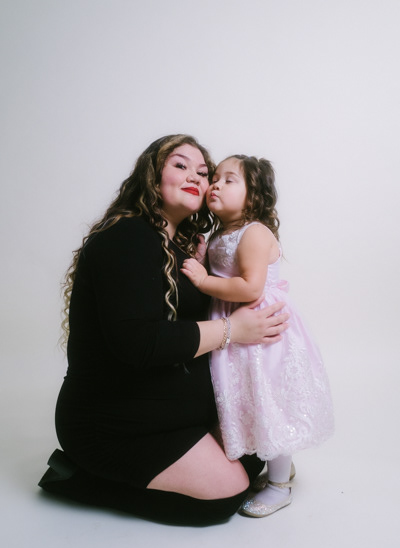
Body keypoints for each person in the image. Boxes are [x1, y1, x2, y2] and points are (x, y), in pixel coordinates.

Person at [38, 135, 290, 526]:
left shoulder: (180, 247)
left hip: (167, 411)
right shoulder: (127, 236)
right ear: (152, 176)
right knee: (226, 496)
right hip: (114, 423)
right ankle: (77, 479)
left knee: (259, 454)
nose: (195, 177)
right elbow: (139, 343)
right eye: (180, 165)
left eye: (203, 173)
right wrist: (232, 330)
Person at [181, 154, 334, 517]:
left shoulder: (254, 232)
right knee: (249, 399)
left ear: (252, 196)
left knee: (268, 402)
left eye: (229, 180)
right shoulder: (223, 234)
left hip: (262, 332)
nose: (215, 185)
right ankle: (278, 467)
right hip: (238, 332)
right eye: (215, 178)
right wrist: (203, 258)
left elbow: (250, 287)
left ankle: (280, 486)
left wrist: (204, 280)